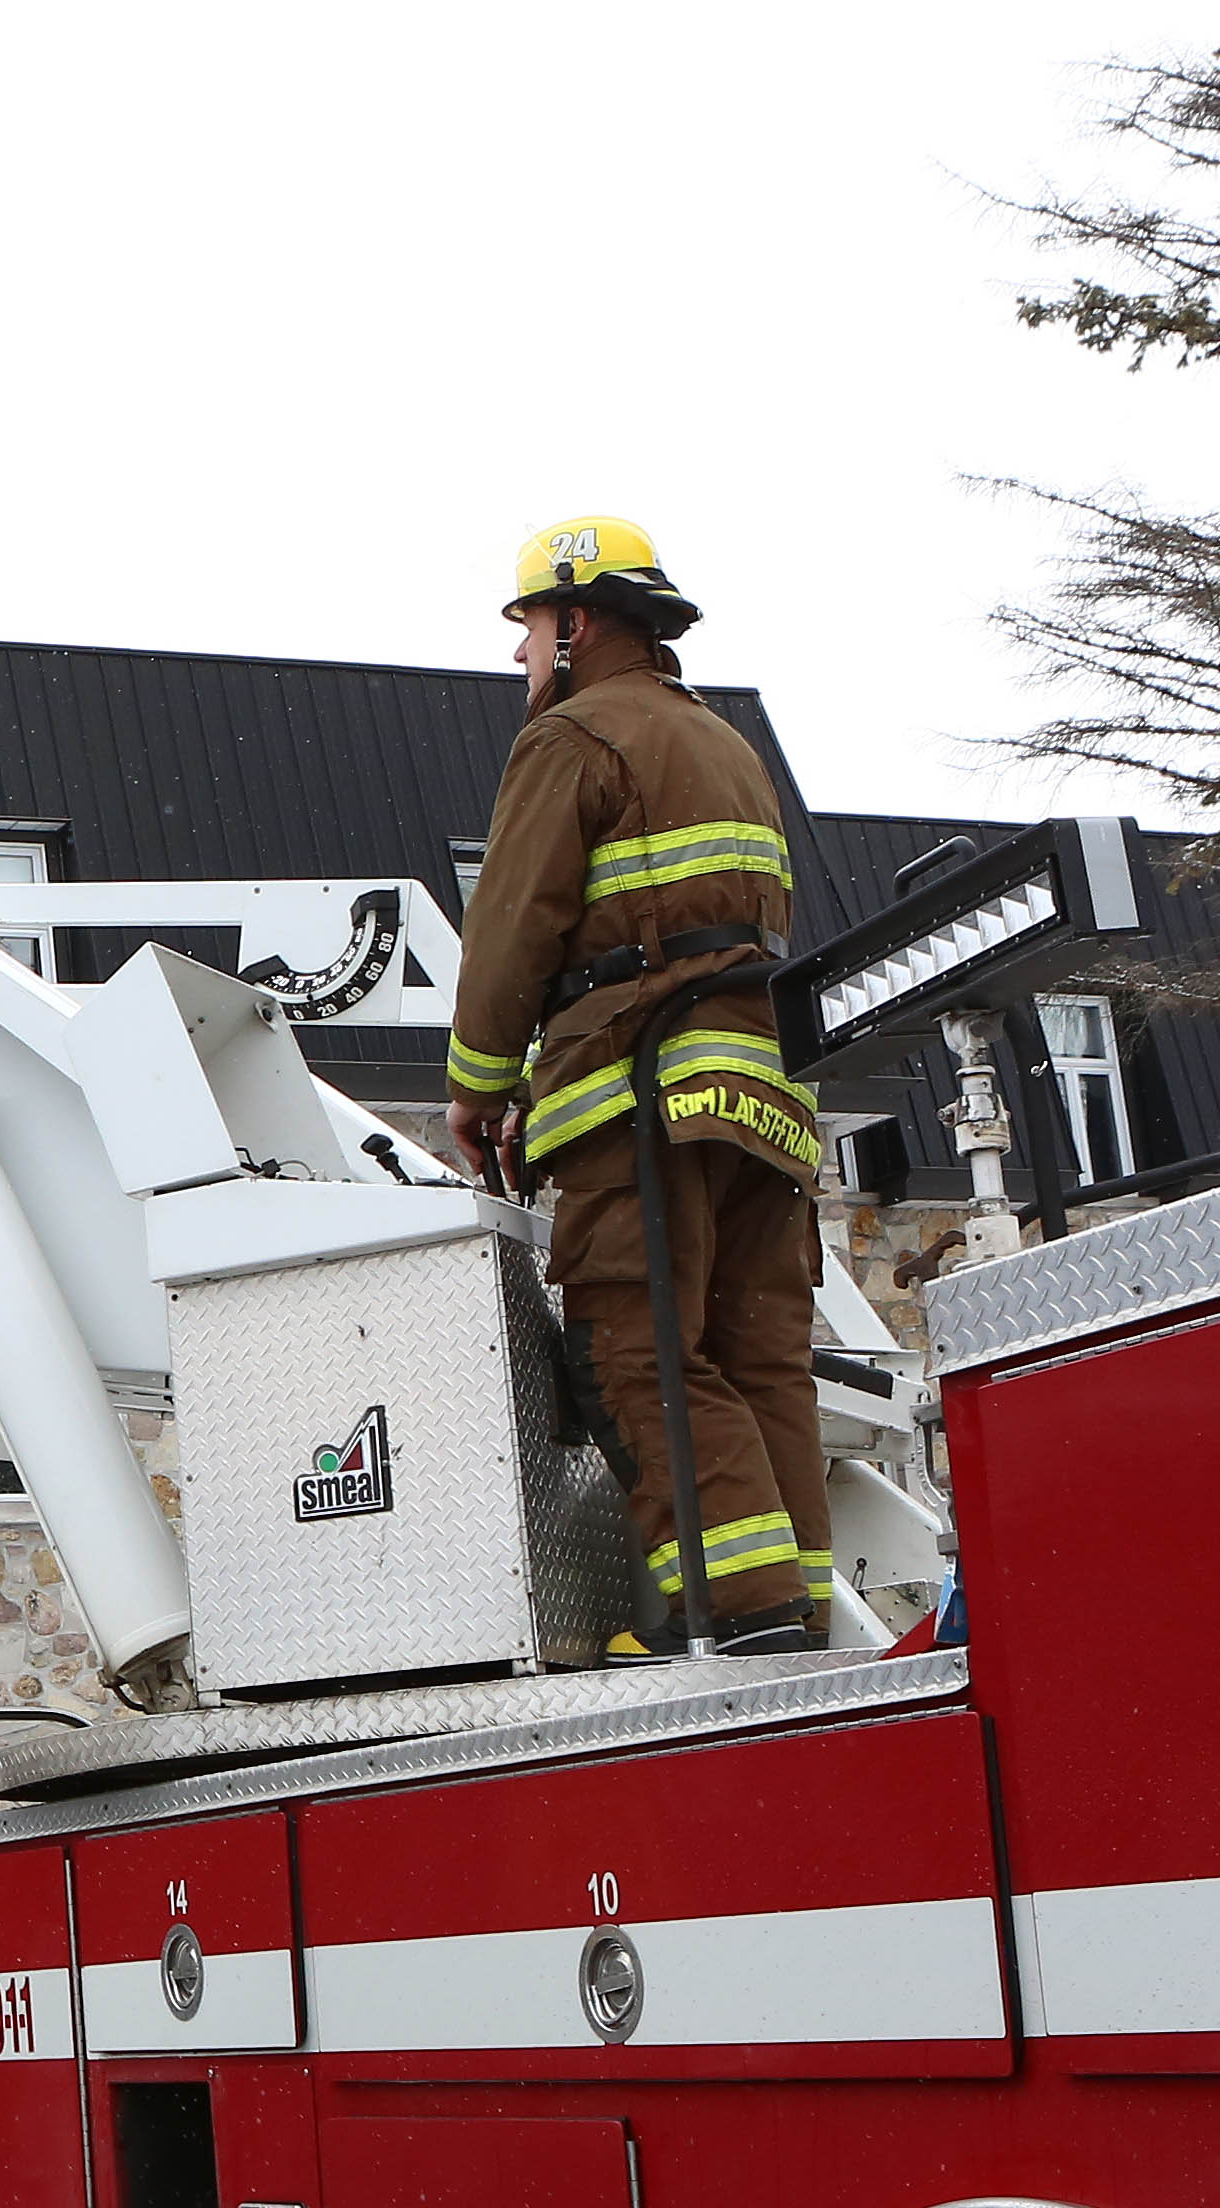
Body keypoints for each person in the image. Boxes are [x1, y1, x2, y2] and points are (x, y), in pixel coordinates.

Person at [441, 515, 834, 1661]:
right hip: (761, 1097)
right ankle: (793, 1607)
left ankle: (732, 1609)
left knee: (640, 1344)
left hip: (639, 1083)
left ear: (576, 624)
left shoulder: (572, 737)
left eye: (527, 628)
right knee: (757, 1351)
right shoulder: (723, 743)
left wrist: (479, 1085)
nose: (518, 654)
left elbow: (514, 926)